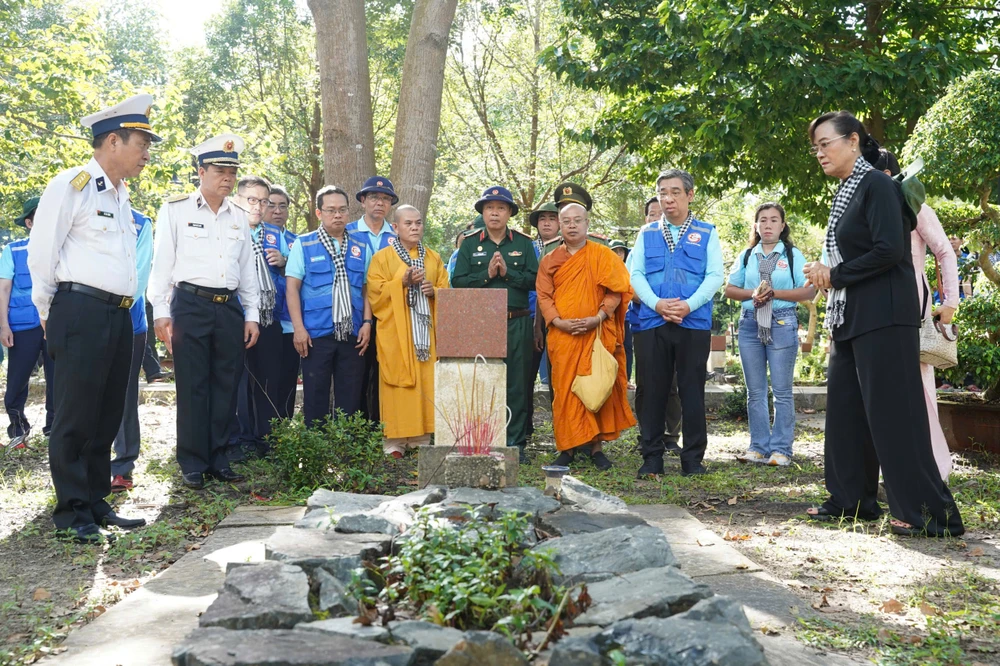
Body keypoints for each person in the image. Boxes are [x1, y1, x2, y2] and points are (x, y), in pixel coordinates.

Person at [801, 110, 963, 537]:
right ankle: (851, 500)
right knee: (846, 412)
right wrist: (827, 274)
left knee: (896, 415)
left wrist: (835, 274)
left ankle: (929, 513)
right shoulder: (847, 191)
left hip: (885, 316)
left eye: (826, 144)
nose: (820, 153)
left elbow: (890, 250)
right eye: (815, 148)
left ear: (853, 140)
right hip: (850, 316)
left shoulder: (877, 184)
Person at [28, 93, 156, 542]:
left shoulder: (120, 195)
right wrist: (49, 311)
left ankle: (97, 500)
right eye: (141, 143)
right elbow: (42, 253)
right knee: (76, 413)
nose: (146, 153)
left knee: (106, 412)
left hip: (118, 315)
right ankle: (72, 511)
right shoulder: (73, 184)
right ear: (113, 141)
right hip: (79, 310)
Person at [149, 134, 261, 491]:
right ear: (201, 172)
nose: (227, 178)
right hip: (190, 305)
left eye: (232, 172)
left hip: (228, 307)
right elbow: (162, 263)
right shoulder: (176, 209)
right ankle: (193, 461)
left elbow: (247, 269)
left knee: (226, 384)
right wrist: (160, 311)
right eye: (219, 171)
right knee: (193, 384)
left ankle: (219, 457)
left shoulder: (239, 216)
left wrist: (252, 313)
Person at [867, 148, 958, 481]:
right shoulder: (866, 210)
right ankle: (888, 468)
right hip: (876, 307)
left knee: (919, 386)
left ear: (887, 176)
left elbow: (945, 251)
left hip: (912, 305)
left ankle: (933, 468)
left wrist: (950, 302)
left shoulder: (915, 206)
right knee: (883, 386)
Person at [630, 169, 724, 477]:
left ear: (689, 195)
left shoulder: (707, 232)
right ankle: (651, 458)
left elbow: (715, 276)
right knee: (652, 391)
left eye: (675, 192)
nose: (668, 199)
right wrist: (656, 304)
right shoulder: (646, 234)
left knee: (692, 391)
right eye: (662, 193)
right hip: (652, 321)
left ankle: (692, 460)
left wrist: (688, 305)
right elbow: (635, 274)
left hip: (692, 322)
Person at [536, 202, 636, 469]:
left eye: (577, 220)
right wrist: (558, 322)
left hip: (596, 334)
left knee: (596, 386)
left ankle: (596, 447)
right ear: (560, 225)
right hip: (563, 336)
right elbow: (544, 296)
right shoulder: (549, 260)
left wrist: (599, 317)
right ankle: (567, 448)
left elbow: (617, 291)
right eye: (566, 221)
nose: (572, 225)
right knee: (565, 390)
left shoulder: (603, 255)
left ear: (587, 224)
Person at [452, 186, 538, 462]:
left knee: (517, 383)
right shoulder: (469, 243)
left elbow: (535, 280)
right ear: (483, 212)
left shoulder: (523, 243)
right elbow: (458, 282)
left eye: (501, 208)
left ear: (509, 212)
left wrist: (508, 273)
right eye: (490, 208)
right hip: (481, 322)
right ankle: (483, 439)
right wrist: (487, 275)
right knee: (483, 382)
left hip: (517, 321)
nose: (495, 213)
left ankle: (515, 443)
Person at [725, 203, 813, 467]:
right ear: (756, 225)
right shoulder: (747, 255)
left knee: (782, 392)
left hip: (782, 322)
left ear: (782, 226)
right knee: (755, 391)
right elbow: (730, 289)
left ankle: (781, 450)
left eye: (774, 220)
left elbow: (808, 291)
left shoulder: (792, 255)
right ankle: (758, 447)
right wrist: (752, 294)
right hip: (750, 323)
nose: (768, 225)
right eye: (762, 220)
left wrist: (774, 294)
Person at [285, 186, 372, 427]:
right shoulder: (304, 244)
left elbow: (367, 289)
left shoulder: (361, 245)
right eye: (331, 210)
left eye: (342, 210)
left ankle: (346, 445)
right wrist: (298, 329)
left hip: (353, 333)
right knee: (315, 396)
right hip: (315, 334)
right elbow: (292, 289)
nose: (337, 215)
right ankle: (316, 444)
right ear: (319, 213)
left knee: (350, 397)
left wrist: (367, 323)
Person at [368, 205, 448, 457]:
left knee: (425, 382)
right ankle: (394, 441)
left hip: (426, 335)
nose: (415, 227)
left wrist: (434, 292)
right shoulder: (382, 258)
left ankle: (421, 437)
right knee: (397, 383)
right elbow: (375, 294)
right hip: (396, 334)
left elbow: (447, 291)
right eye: (408, 223)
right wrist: (401, 282)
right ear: (395, 227)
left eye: (418, 223)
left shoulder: (433, 258)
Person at [229, 175, 287, 458]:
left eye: (264, 202)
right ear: (237, 199)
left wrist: (283, 261)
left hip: (268, 316)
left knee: (267, 378)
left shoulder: (275, 233)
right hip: (234, 314)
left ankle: (266, 438)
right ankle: (240, 438)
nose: (259, 207)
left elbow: (291, 274)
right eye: (252, 200)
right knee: (237, 379)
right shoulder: (227, 228)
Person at [628, 196, 683, 454]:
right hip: (644, 322)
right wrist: (656, 304)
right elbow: (629, 285)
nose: (657, 217)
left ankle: (671, 435)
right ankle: (648, 433)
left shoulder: (680, 245)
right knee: (647, 381)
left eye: (661, 212)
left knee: (672, 382)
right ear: (645, 218)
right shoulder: (639, 246)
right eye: (652, 213)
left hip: (677, 320)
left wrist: (670, 307)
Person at [0, 197, 54, 448]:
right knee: (17, 379)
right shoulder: (13, 251)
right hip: (22, 326)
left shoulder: (62, 249)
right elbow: (3, 289)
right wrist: (4, 325)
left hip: (54, 324)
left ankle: (54, 428)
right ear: (29, 223)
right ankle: (18, 429)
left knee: (59, 378)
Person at [110, 208, 154, 492]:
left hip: (130, 321)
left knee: (124, 395)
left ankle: (122, 466)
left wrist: (112, 305)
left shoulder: (140, 223)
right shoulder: (80, 208)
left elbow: (140, 273)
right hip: (87, 321)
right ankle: (88, 465)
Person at [348, 176, 398, 423]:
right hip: (355, 314)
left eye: (386, 199)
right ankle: (357, 428)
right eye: (374, 197)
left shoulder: (397, 236)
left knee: (384, 373)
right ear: (363, 201)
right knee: (355, 374)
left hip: (390, 315)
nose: (380, 203)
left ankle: (382, 427)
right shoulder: (347, 232)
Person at [264, 185, 300, 417]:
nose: (277, 211)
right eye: (271, 205)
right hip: (261, 320)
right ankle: (260, 429)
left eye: (283, 206)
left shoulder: (298, 242)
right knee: (264, 378)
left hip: (290, 322)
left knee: (287, 377)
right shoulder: (253, 236)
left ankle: (284, 427)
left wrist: (286, 262)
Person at [527, 201, 561, 438]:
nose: (547, 223)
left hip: (560, 320)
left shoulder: (566, 248)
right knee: (527, 376)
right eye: (542, 219)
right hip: (530, 318)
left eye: (552, 218)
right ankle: (525, 428)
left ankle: (564, 429)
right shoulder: (527, 248)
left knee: (561, 377)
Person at [608, 240, 633, 384]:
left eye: (621, 251)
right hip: (610, 316)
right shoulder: (605, 268)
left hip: (627, 316)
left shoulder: (629, 268)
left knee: (627, 347)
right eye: (615, 251)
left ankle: (626, 379)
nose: (618, 254)